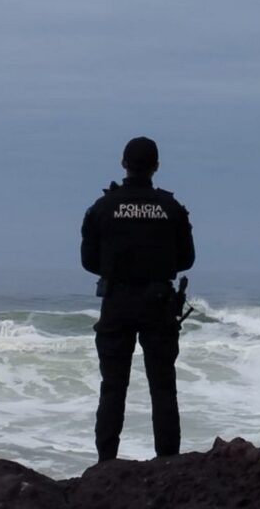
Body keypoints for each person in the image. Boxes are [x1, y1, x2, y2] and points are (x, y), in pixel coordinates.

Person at [80, 136, 195, 462]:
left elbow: (88, 261)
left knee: (113, 387)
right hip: (158, 304)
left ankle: (106, 464)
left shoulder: (103, 207)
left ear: (123, 164)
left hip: (116, 303)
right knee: (163, 388)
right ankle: (169, 463)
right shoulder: (171, 208)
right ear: (156, 166)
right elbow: (186, 259)